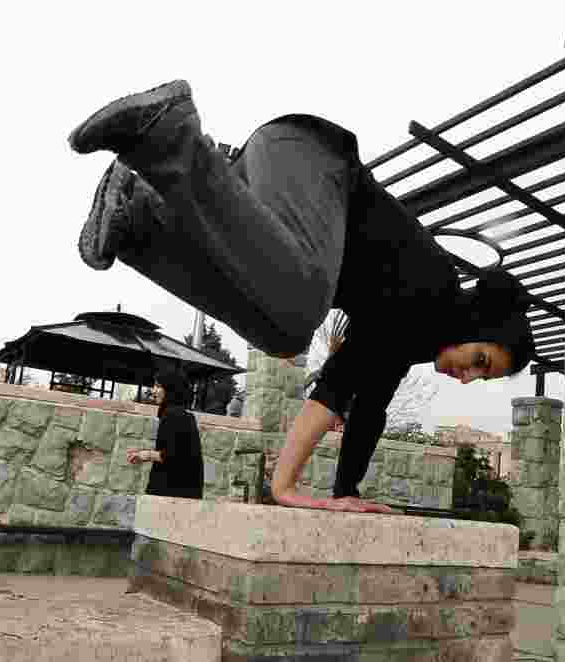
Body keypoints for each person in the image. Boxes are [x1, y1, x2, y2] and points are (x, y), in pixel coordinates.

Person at [68, 80, 535, 514]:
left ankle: (136, 223)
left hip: (263, 177)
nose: (468, 377)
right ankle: (172, 139)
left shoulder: (414, 335)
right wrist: (284, 487)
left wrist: (346, 493)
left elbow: (369, 407)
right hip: (310, 158)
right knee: (297, 315)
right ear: (475, 326)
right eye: (480, 360)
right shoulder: (431, 293)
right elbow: (339, 383)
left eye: (480, 377)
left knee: (283, 333)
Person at [126, 371, 204, 499]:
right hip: (184, 492)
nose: (153, 390)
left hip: (171, 493)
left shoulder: (172, 415)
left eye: (158, 386)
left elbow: (174, 456)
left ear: (170, 389)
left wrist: (145, 455)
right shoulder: (183, 415)